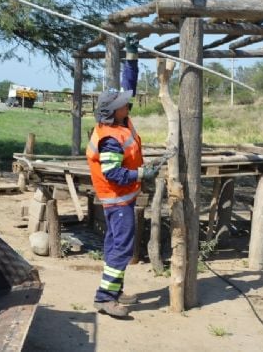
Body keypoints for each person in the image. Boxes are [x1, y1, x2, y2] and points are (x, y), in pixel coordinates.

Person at [87, 38, 157, 318]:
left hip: (122, 198)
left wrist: (132, 56)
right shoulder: (109, 141)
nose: (127, 104)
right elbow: (113, 174)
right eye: (122, 104)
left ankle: (114, 291)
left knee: (114, 245)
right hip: (116, 200)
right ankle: (104, 297)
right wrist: (142, 173)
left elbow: (129, 87)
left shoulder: (120, 121)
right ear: (112, 112)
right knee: (123, 247)